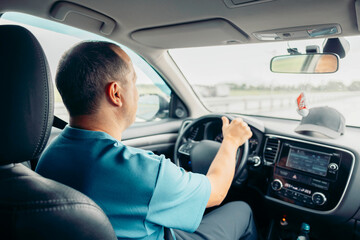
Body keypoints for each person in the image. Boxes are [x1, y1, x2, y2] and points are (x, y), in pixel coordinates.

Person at [36, 41, 257, 240]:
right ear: (115, 93)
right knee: (242, 210)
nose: (138, 92)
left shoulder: (48, 156)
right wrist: (231, 141)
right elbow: (216, 192)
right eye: (134, 80)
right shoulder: (143, 171)